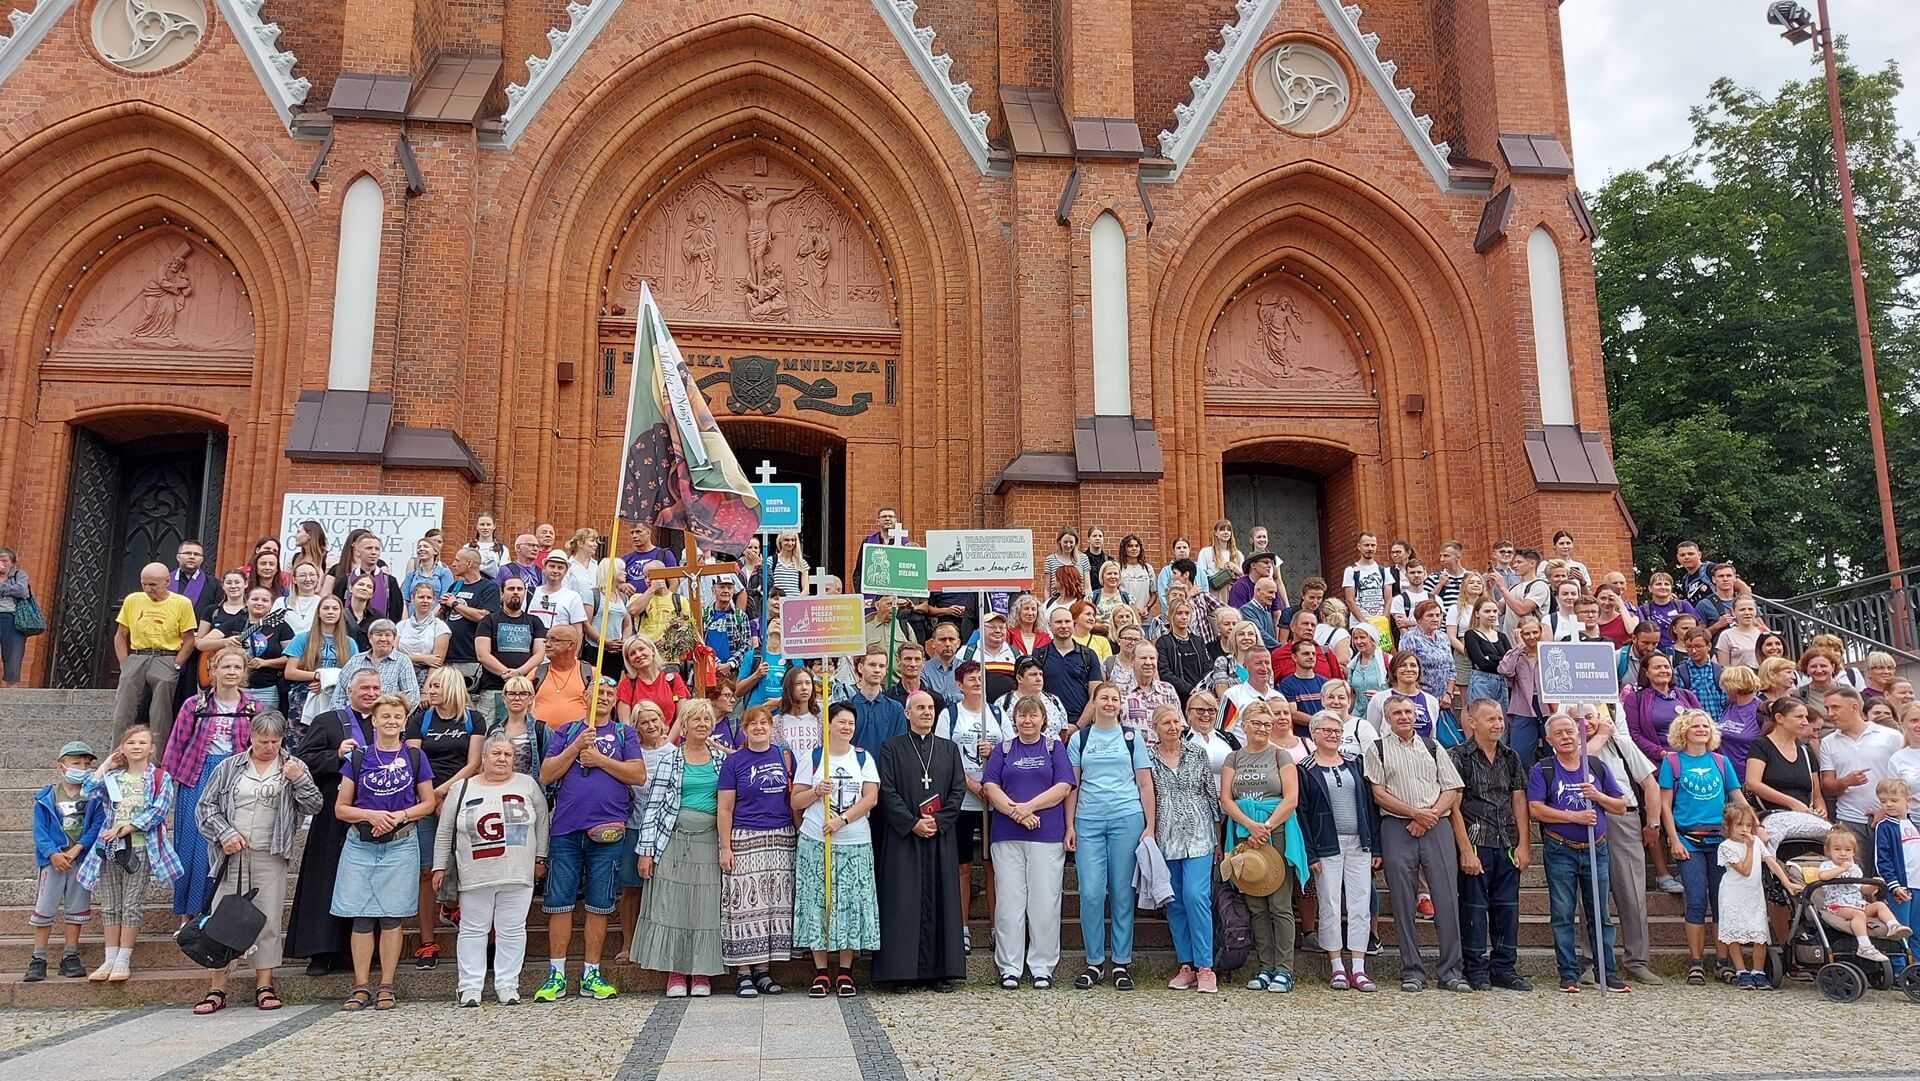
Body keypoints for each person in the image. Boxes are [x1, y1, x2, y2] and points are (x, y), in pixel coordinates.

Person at [189, 712, 322, 1013]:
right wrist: (224, 833)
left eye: (275, 741)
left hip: (270, 852)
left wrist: (298, 780)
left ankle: (264, 984)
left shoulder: (293, 766)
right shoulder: (229, 767)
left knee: (268, 918)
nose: (270, 747)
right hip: (231, 853)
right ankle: (217, 988)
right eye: (263, 741)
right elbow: (205, 807)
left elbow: (315, 805)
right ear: (251, 737)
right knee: (222, 918)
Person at [537, 697, 648, 1001]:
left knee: (599, 903)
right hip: (566, 829)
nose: (603, 696)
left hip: (608, 832)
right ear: (586, 697)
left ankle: (592, 972)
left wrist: (600, 760)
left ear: (615, 700)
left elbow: (637, 775)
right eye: (597, 690)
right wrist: (575, 749)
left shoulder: (624, 733)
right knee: (559, 902)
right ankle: (556, 974)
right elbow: (546, 774)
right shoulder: (568, 731)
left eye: (609, 692)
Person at [331, 692, 437, 1011]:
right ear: (374, 720)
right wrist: (372, 816)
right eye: (385, 716)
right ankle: (361, 986)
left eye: (397, 716)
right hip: (361, 844)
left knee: (392, 917)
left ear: (404, 722)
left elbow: (429, 802)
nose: (391, 721)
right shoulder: (358, 758)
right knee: (361, 917)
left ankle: (387, 985)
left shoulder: (416, 757)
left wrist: (399, 816)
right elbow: (340, 808)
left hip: (401, 842)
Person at [431, 730, 548, 1006]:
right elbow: (445, 830)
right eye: (496, 753)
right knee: (473, 929)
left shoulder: (527, 784)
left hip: (517, 872)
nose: (502, 759)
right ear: (483, 757)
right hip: (475, 873)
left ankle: (508, 984)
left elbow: (542, 822)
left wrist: (540, 858)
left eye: (508, 754)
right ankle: (470, 987)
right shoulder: (463, 788)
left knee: (513, 930)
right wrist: (439, 867)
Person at [1366, 694, 1470, 992]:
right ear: (1387, 718)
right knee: (1402, 899)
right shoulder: (1378, 749)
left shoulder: (1433, 745)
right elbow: (1379, 794)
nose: (1403, 716)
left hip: (1436, 825)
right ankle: (1412, 969)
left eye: (1408, 711)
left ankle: (1451, 971)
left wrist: (1430, 815)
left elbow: (1451, 787)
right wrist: (1414, 813)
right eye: (1397, 712)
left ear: (1417, 715)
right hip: (1397, 826)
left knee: (1447, 898)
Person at [287, 668, 383, 975]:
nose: (370, 693)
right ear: (349, 691)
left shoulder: (388, 722)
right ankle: (320, 951)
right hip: (332, 813)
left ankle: (361, 953)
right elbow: (302, 761)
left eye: (375, 688)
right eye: (364, 688)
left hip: (373, 814)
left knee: (367, 883)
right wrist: (336, 754)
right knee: (325, 879)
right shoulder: (328, 722)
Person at [872, 691, 968, 991]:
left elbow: (958, 789)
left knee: (942, 898)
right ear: (907, 713)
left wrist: (938, 822)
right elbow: (886, 791)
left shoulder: (949, 749)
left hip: (940, 836)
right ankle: (900, 972)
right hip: (904, 837)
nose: (927, 712)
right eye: (920, 708)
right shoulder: (891, 748)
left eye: (930, 708)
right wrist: (913, 823)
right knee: (903, 901)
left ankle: (941, 971)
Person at [1528, 712, 1629, 994]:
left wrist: (1599, 798)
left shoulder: (1595, 766)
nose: (1566, 737)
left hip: (1596, 849)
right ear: (1549, 740)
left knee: (1600, 914)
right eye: (1559, 733)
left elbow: (1620, 806)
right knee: (1562, 913)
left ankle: (1606, 972)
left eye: (1570, 731)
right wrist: (1574, 818)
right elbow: (1535, 809)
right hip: (1560, 849)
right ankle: (1568, 974)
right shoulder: (1543, 769)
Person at [633, 698, 725, 997]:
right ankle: (675, 972)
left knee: (704, 907)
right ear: (683, 726)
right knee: (672, 905)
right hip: (673, 840)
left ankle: (701, 973)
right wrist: (646, 851)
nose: (702, 724)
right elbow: (653, 806)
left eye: (706, 719)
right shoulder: (668, 761)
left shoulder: (722, 760)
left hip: (709, 840)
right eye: (695, 719)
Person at [983, 695, 1076, 989]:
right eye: (1022, 716)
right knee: (1009, 902)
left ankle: (1042, 966)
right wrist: (1016, 812)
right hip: (1007, 834)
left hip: (1046, 835)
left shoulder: (1054, 748)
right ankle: (1009, 966)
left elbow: (1063, 787)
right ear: (1014, 720)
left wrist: (1029, 808)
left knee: (1045, 901)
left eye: (1033, 716)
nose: (1027, 721)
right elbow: (989, 786)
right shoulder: (1003, 749)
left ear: (1043, 719)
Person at [791, 703, 883, 997]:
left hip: (853, 839)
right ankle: (820, 971)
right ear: (828, 725)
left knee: (850, 903)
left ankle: (845, 970)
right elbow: (795, 801)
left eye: (850, 724)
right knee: (817, 901)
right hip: (816, 840)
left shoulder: (862, 758)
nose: (846, 728)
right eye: (841, 722)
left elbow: (870, 798)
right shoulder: (814, 757)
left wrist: (842, 819)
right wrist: (816, 792)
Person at [163, 646, 262, 920]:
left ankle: (216, 910)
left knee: (226, 841)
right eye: (226, 667)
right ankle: (189, 913)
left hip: (235, 778)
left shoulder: (254, 707)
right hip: (197, 774)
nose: (231, 672)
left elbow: (261, 746)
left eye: (237, 668)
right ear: (214, 670)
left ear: (244, 673)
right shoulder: (194, 705)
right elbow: (176, 745)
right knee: (193, 844)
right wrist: (165, 785)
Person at [1068, 682, 1154, 990]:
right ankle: (1094, 962)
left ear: (1120, 704)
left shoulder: (1132, 738)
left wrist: (1150, 826)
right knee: (1090, 892)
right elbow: (1072, 786)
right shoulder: (1080, 738)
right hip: (1088, 820)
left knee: (1121, 893)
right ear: (1093, 702)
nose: (1109, 702)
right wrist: (1069, 825)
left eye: (1114, 698)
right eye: (1103, 697)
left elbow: (1145, 784)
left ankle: (1120, 962)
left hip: (1126, 818)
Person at [78, 725, 179, 982]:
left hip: (140, 846)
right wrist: (108, 764)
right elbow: (87, 790)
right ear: (123, 747)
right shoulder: (115, 778)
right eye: (131, 742)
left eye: (142, 743)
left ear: (151, 748)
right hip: (110, 848)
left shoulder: (159, 778)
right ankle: (109, 958)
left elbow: (158, 811)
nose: (136, 747)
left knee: (131, 904)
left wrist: (126, 828)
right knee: (111, 904)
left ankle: (124, 959)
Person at [1449, 699, 1532, 991]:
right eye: (1491, 719)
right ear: (1472, 722)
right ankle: (1475, 968)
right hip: (1476, 841)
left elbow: (1519, 800)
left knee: (1507, 909)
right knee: (1473, 908)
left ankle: (1504, 967)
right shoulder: (1457, 756)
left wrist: (1525, 844)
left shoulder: (1511, 757)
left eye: (1500, 719)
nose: (1498, 724)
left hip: (1507, 841)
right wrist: (1464, 850)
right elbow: (1453, 807)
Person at [1220, 700, 1302, 991]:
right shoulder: (1234, 758)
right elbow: (1226, 798)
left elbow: (1290, 799)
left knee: (1279, 903)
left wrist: (1265, 827)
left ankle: (1285, 968)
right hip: (1244, 831)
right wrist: (1250, 826)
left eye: (1268, 725)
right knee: (1255, 902)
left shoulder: (1281, 756)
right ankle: (1265, 965)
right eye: (1257, 723)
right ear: (1244, 725)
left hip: (1275, 831)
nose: (1263, 729)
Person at [714, 706, 796, 996]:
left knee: (774, 906)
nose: (760, 727)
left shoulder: (784, 755)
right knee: (744, 905)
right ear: (744, 729)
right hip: (745, 835)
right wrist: (725, 847)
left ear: (772, 727)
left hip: (781, 835)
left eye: (765, 723)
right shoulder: (734, 762)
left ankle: (764, 970)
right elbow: (724, 808)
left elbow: (793, 797)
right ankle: (743, 971)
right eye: (754, 724)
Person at [1661, 708, 1747, 985]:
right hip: (1689, 839)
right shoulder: (1673, 763)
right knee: (1696, 900)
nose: (1701, 730)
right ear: (1683, 731)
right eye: (1696, 726)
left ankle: (1723, 962)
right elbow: (1665, 805)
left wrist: (1755, 827)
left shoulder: (1721, 762)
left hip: (1721, 840)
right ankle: (1696, 962)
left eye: (1705, 726)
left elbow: (1737, 797)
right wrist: (1673, 838)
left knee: (1722, 902)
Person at [404, 667, 481, 970]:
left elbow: (473, 763)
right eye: (428, 686)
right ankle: (427, 941)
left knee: (466, 864)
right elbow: (413, 761)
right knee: (426, 871)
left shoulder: (474, 719)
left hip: (461, 795)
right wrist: (432, 796)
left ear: (450, 687)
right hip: (425, 798)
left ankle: (451, 907)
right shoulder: (419, 720)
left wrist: (444, 794)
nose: (429, 691)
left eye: (435, 686)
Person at [1298, 709, 1377, 991]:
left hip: (1359, 842)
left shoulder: (1356, 764)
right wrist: (1310, 853)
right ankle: (1336, 965)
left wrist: (1375, 846)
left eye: (1336, 731)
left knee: (1360, 902)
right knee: (1330, 902)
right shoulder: (1305, 769)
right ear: (1314, 734)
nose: (1333, 736)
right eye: (1327, 731)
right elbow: (1302, 814)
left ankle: (1358, 965)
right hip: (1326, 844)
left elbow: (1368, 806)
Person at [1148, 704, 1219, 993]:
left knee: (1196, 896)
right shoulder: (1148, 757)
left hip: (1200, 834)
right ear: (1156, 728)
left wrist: (1218, 836)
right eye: (1166, 723)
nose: (1173, 727)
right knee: (1174, 900)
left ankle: (1206, 965)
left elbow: (1210, 794)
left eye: (1176, 722)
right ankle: (1186, 963)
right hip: (1166, 837)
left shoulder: (1196, 752)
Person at [937, 661, 1006, 951]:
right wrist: (972, 785)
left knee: (993, 866)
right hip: (963, 801)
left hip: (993, 802)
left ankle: (997, 928)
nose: (977, 683)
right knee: (962, 866)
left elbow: (1009, 752)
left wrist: (992, 779)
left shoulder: (998, 714)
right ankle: (961, 927)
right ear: (959, 685)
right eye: (971, 679)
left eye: (981, 678)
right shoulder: (950, 715)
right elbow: (944, 757)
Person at [26, 740, 104, 981]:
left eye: (86, 764)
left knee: (76, 908)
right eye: (76, 763)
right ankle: (38, 957)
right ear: (61, 767)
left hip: (80, 861)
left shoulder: (94, 797)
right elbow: (40, 831)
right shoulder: (46, 797)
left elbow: (97, 826)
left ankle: (70, 954)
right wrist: (53, 853)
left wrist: (78, 848)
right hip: (53, 861)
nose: (82, 768)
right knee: (45, 907)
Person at [111, 563, 198, 742]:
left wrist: (177, 664)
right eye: (144, 584)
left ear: (167, 582)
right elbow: (121, 635)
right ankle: (117, 758)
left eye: (153, 585)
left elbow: (189, 639)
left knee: (160, 715)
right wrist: (124, 663)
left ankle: (157, 762)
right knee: (123, 711)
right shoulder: (133, 600)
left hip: (166, 656)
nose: (148, 589)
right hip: (137, 654)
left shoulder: (182, 603)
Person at [1821, 685, 1901, 874]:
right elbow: (1827, 787)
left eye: (1835, 707)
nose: (1830, 714)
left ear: (1854, 707)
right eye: (1827, 709)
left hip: (1889, 819)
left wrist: (1885, 809)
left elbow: (1903, 782)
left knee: (1892, 876)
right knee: (1854, 878)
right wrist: (1845, 782)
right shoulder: (1828, 742)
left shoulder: (1891, 736)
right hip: (1849, 821)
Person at [1718, 803, 1792, 989]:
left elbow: (1771, 863)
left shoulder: (1757, 842)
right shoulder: (1726, 847)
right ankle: (1741, 970)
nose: (1744, 830)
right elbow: (1744, 869)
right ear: (1729, 826)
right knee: (1733, 932)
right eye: (1739, 825)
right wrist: (1750, 849)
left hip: (1754, 895)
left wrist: (1787, 882)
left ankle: (1758, 970)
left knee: (1759, 933)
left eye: (1748, 825)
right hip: (1733, 894)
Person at [1817, 827, 1908, 962]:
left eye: (1847, 850)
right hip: (1837, 906)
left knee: (1878, 905)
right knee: (1858, 915)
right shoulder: (1828, 865)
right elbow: (1823, 876)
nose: (1842, 853)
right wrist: (1841, 869)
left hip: (1857, 904)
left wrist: (1873, 885)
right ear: (1828, 851)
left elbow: (1861, 889)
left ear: (1854, 852)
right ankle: (1864, 946)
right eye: (1837, 849)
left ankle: (1893, 926)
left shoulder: (1855, 869)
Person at [477, 578, 547, 717]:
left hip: (525, 689)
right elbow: (482, 655)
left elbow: (539, 654)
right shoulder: (488, 621)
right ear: (501, 594)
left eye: (520, 589)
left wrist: (519, 673)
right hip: (493, 690)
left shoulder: (535, 622)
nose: (516, 592)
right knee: (492, 734)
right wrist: (507, 674)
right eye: (511, 589)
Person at [1625, 652, 1699, 765]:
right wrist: (1661, 753)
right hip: (1658, 763)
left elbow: (1704, 725)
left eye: (1666, 667)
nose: (1663, 670)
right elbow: (1634, 734)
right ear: (1646, 673)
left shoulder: (1687, 696)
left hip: (1692, 759)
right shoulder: (1634, 699)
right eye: (1657, 667)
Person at [333, 619, 421, 711]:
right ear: (370, 638)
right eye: (378, 634)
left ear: (394, 639)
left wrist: (392, 716)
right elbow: (339, 694)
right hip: (353, 720)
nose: (383, 639)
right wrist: (343, 719)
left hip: (387, 720)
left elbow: (412, 697)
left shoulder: (403, 662)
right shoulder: (355, 661)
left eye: (388, 635)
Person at [1872, 777, 1920, 946]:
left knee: (1917, 930)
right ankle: (1900, 969)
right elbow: (1882, 860)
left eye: (1894, 800)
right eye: (1883, 801)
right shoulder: (1884, 826)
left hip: (1917, 885)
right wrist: (1894, 885)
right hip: (1900, 887)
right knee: (1901, 930)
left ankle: (1915, 968)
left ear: (1908, 801)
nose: (1889, 805)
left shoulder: (1913, 824)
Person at [332, 532, 403, 622]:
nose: (373, 552)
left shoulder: (389, 582)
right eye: (369, 548)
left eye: (377, 549)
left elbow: (396, 614)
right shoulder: (345, 580)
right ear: (357, 552)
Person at [997, 655, 1070, 740]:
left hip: (1051, 752)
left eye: (1040, 674)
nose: (1039, 679)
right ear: (1019, 678)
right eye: (1033, 675)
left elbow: (1063, 733)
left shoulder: (1054, 701)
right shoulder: (1003, 703)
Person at [847, 649, 908, 752]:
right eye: (872, 665)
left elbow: (900, 748)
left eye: (881, 666)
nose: (877, 670)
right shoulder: (846, 707)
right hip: (855, 767)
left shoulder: (896, 709)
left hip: (886, 767)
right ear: (860, 668)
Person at [397, 581, 451, 689]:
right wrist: (423, 658)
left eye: (429, 598)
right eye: (421, 597)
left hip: (426, 679)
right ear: (413, 599)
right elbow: (393, 656)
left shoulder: (440, 627)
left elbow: (436, 663)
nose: (425, 601)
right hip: (400, 678)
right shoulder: (401, 626)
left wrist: (427, 690)